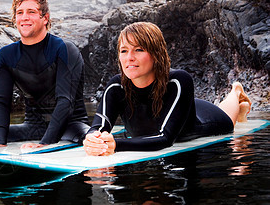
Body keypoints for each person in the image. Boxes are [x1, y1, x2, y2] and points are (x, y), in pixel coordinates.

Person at [83, 21, 252, 156]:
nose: (129, 58)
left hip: (203, 121)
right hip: (178, 107)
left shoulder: (178, 81)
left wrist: (116, 145)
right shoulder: (116, 86)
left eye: (139, 50)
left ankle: (235, 92)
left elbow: (166, 138)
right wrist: (93, 138)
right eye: (124, 51)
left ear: (156, 54)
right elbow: (99, 125)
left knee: (229, 120)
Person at [0, 0, 89, 149]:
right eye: (20, 13)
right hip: (33, 128)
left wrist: (45, 144)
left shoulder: (65, 49)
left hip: (71, 128)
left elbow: (65, 102)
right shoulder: (6, 55)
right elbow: (0, 102)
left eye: (31, 12)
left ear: (45, 18)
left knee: (92, 140)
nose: (24, 17)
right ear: (14, 19)